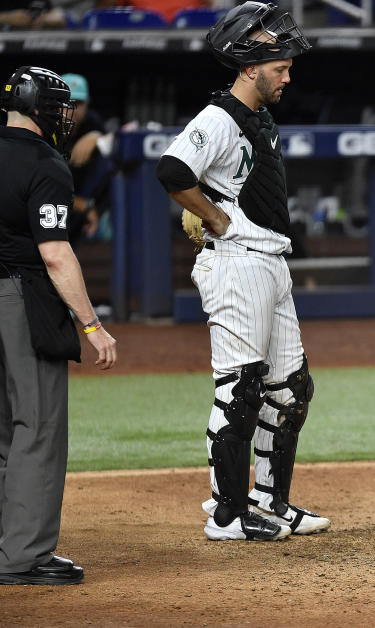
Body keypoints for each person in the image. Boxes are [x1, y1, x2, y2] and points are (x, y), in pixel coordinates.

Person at [155, 1, 329, 542]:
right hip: (236, 264)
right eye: (280, 67)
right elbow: (172, 168)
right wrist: (211, 215)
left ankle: (269, 501)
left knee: (291, 388)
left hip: (271, 263)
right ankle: (227, 514)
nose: (288, 74)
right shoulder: (220, 116)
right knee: (240, 389)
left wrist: (212, 208)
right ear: (250, 67)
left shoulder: (256, 116)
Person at [0, 66, 118, 586]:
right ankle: (23, 556)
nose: (64, 116)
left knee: (4, 430)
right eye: (59, 106)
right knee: (38, 426)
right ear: (40, 108)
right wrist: (92, 325)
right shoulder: (46, 162)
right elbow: (55, 254)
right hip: (22, 300)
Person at [61, 73, 110, 243]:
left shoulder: (92, 123)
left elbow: (116, 139)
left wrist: (97, 137)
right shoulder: (43, 128)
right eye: (67, 103)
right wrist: (84, 206)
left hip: (75, 204)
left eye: (78, 103)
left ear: (87, 104)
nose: (73, 109)